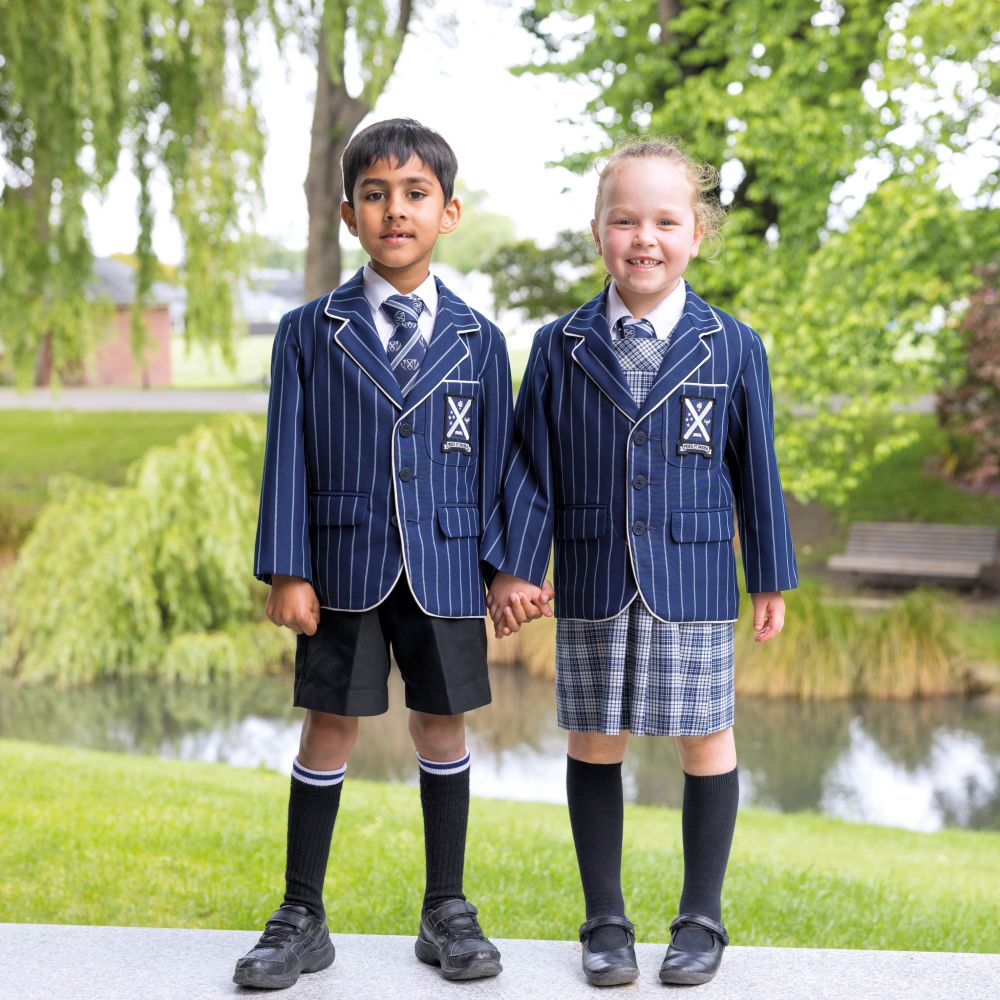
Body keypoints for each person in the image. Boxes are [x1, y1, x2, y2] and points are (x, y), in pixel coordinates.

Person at [235, 117, 551, 990]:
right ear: (348, 213)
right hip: (340, 565)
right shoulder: (308, 331)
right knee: (329, 722)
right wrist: (288, 566)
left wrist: (512, 565)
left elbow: (505, 462)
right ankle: (302, 915)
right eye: (376, 195)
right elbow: (286, 452)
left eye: (415, 194)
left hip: (447, 565)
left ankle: (445, 908)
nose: (395, 211)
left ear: (449, 212)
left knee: (441, 724)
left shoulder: (481, 341)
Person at [484, 138, 797, 987]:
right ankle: (605, 923)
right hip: (590, 573)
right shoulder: (558, 346)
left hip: (692, 578)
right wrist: (515, 567)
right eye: (625, 220)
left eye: (665, 220)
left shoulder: (734, 347)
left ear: (697, 234)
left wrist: (768, 573)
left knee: (707, 737)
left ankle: (701, 919)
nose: (644, 238)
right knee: (595, 741)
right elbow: (529, 465)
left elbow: (756, 470)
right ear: (597, 234)